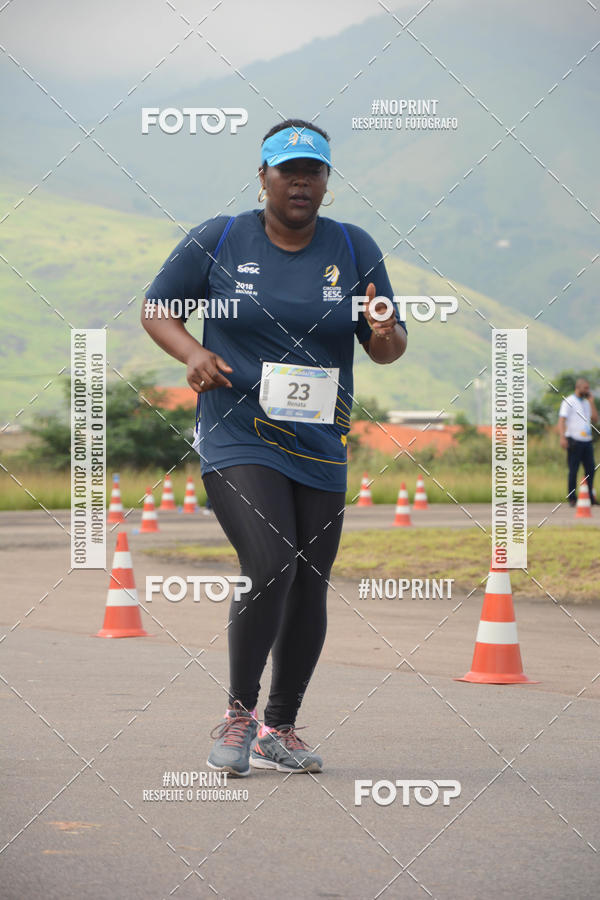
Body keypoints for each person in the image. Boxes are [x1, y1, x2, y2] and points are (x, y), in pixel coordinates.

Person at [142, 119, 407, 776]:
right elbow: (157, 309)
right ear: (263, 176)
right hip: (237, 431)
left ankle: (279, 729)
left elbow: (388, 346)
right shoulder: (220, 238)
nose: (300, 182)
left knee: (310, 583)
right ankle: (239, 716)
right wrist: (193, 352)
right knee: (270, 564)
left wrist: (382, 330)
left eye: (312, 170)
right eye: (287, 170)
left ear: (327, 180)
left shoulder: (354, 246)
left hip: (318, 439)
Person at [558, 377, 598, 505]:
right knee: (573, 470)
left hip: (587, 441)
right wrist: (562, 437)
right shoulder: (569, 401)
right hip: (574, 440)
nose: (587, 390)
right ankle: (572, 498)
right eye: (585, 388)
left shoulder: (586, 402)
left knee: (591, 469)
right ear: (578, 387)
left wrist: (591, 402)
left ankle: (590, 497)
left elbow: (595, 419)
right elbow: (561, 420)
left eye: (588, 388)